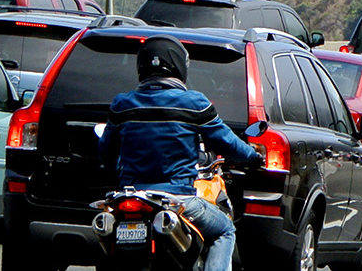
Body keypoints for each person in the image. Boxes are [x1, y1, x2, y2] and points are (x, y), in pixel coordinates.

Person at [98, 35, 262, 271]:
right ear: (178, 65)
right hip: (178, 199)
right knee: (225, 230)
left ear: (141, 66)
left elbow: (105, 152)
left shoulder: (122, 104)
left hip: (129, 196)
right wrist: (253, 157)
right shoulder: (194, 103)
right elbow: (227, 143)